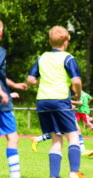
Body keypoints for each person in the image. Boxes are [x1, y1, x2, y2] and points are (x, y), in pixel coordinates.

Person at [27, 26, 85, 178]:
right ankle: (74, 173)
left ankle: (54, 176)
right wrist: (78, 94)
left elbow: (31, 79)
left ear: (49, 41)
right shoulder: (68, 58)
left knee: (56, 139)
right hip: (60, 101)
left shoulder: (42, 58)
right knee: (73, 135)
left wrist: (44, 83)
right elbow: (76, 81)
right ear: (66, 43)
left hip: (42, 103)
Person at [0, 20, 28, 178]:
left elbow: (1, 75)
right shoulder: (0, 51)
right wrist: (2, 93)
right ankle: (15, 175)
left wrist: (14, 85)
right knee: (12, 137)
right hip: (2, 103)